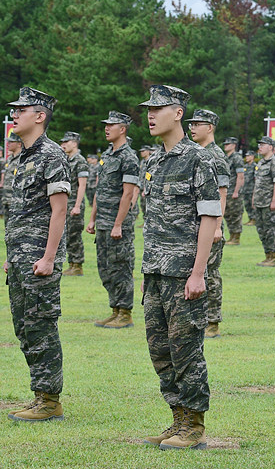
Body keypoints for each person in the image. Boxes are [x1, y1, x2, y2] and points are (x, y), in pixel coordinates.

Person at [138, 85, 221, 449]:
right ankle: (177, 418)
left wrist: (199, 271)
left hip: (183, 272)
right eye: (149, 109)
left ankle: (195, 424)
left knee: (186, 349)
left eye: (158, 109)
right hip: (155, 270)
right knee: (160, 349)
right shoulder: (153, 162)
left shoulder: (198, 158)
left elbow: (209, 218)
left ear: (178, 113)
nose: (151, 115)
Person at [4, 87, 71, 422]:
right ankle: (39, 394)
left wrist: (48, 258)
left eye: (22, 110)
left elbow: (59, 212)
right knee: (25, 329)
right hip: (20, 259)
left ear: (40, 116)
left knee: (41, 326)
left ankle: (50, 399)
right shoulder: (23, 157)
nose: (14, 115)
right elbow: (20, 213)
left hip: (39, 261)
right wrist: (10, 255)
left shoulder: (52, 155)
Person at [87, 111, 140, 328]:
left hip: (118, 223)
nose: (107, 128)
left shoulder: (129, 157)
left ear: (123, 129)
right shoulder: (108, 156)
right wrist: (92, 218)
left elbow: (128, 194)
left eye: (111, 125)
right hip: (103, 221)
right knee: (105, 267)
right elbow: (100, 190)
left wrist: (118, 223)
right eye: (106, 125)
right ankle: (115, 309)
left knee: (121, 266)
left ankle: (125, 312)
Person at [186, 109, 230, 339]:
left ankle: (212, 320)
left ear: (210, 127)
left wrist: (217, 227)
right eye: (191, 124)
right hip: (196, 224)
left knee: (210, 273)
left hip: (211, 224)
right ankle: (199, 317)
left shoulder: (216, 156)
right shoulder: (195, 153)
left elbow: (221, 194)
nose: (192, 128)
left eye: (197, 124)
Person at [60, 132, 89, 276]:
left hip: (74, 204)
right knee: (67, 234)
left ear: (75, 143)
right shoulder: (67, 159)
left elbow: (82, 185)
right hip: (66, 203)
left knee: (74, 234)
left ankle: (77, 264)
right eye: (63, 142)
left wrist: (77, 205)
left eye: (67, 142)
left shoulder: (80, 161)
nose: (63, 144)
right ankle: (71, 263)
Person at [252, 136, 275, 267]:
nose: (260, 147)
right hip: (259, 202)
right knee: (262, 230)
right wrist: (254, 197)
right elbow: (257, 183)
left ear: (270, 147)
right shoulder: (261, 163)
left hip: (269, 203)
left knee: (271, 230)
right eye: (259, 145)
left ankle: (274, 257)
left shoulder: (274, 163)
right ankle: (267, 256)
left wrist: (274, 200)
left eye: (263, 145)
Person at [222, 136, 246, 245]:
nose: (226, 146)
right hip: (227, 191)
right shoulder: (227, 158)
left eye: (228, 144)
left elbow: (240, 176)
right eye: (225, 144)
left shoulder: (237, 158)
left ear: (233, 145)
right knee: (228, 214)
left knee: (235, 214)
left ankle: (236, 237)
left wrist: (237, 191)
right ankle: (232, 235)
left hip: (234, 191)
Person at [1, 134, 23, 225]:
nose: (8, 144)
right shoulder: (10, 159)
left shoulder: (22, 159)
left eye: (11, 142)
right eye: (8, 141)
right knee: (7, 227)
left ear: (19, 144)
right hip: (6, 199)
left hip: (16, 200)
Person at [242, 150, 256, 225]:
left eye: (248, 156)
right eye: (246, 156)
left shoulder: (255, 166)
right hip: (245, 189)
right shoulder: (245, 166)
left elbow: (256, 179)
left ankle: (254, 219)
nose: (246, 157)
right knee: (247, 205)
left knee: (252, 205)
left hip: (251, 189)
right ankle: (250, 218)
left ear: (252, 157)